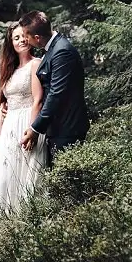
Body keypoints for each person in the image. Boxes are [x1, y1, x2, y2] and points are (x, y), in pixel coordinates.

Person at [0, 22, 48, 230]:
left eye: (23, 36)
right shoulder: (8, 69)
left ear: (30, 37)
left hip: (27, 123)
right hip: (9, 127)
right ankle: (1, 225)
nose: (21, 41)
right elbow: (3, 105)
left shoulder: (36, 64)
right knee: (4, 175)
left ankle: (25, 224)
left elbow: (38, 100)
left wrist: (32, 131)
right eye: (16, 38)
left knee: (26, 175)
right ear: (11, 43)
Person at [18, 11, 89, 166]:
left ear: (37, 38)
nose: (25, 40)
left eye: (26, 36)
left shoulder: (62, 51)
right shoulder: (53, 48)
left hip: (67, 129)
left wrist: (35, 129)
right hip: (57, 128)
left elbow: (56, 94)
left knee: (66, 182)